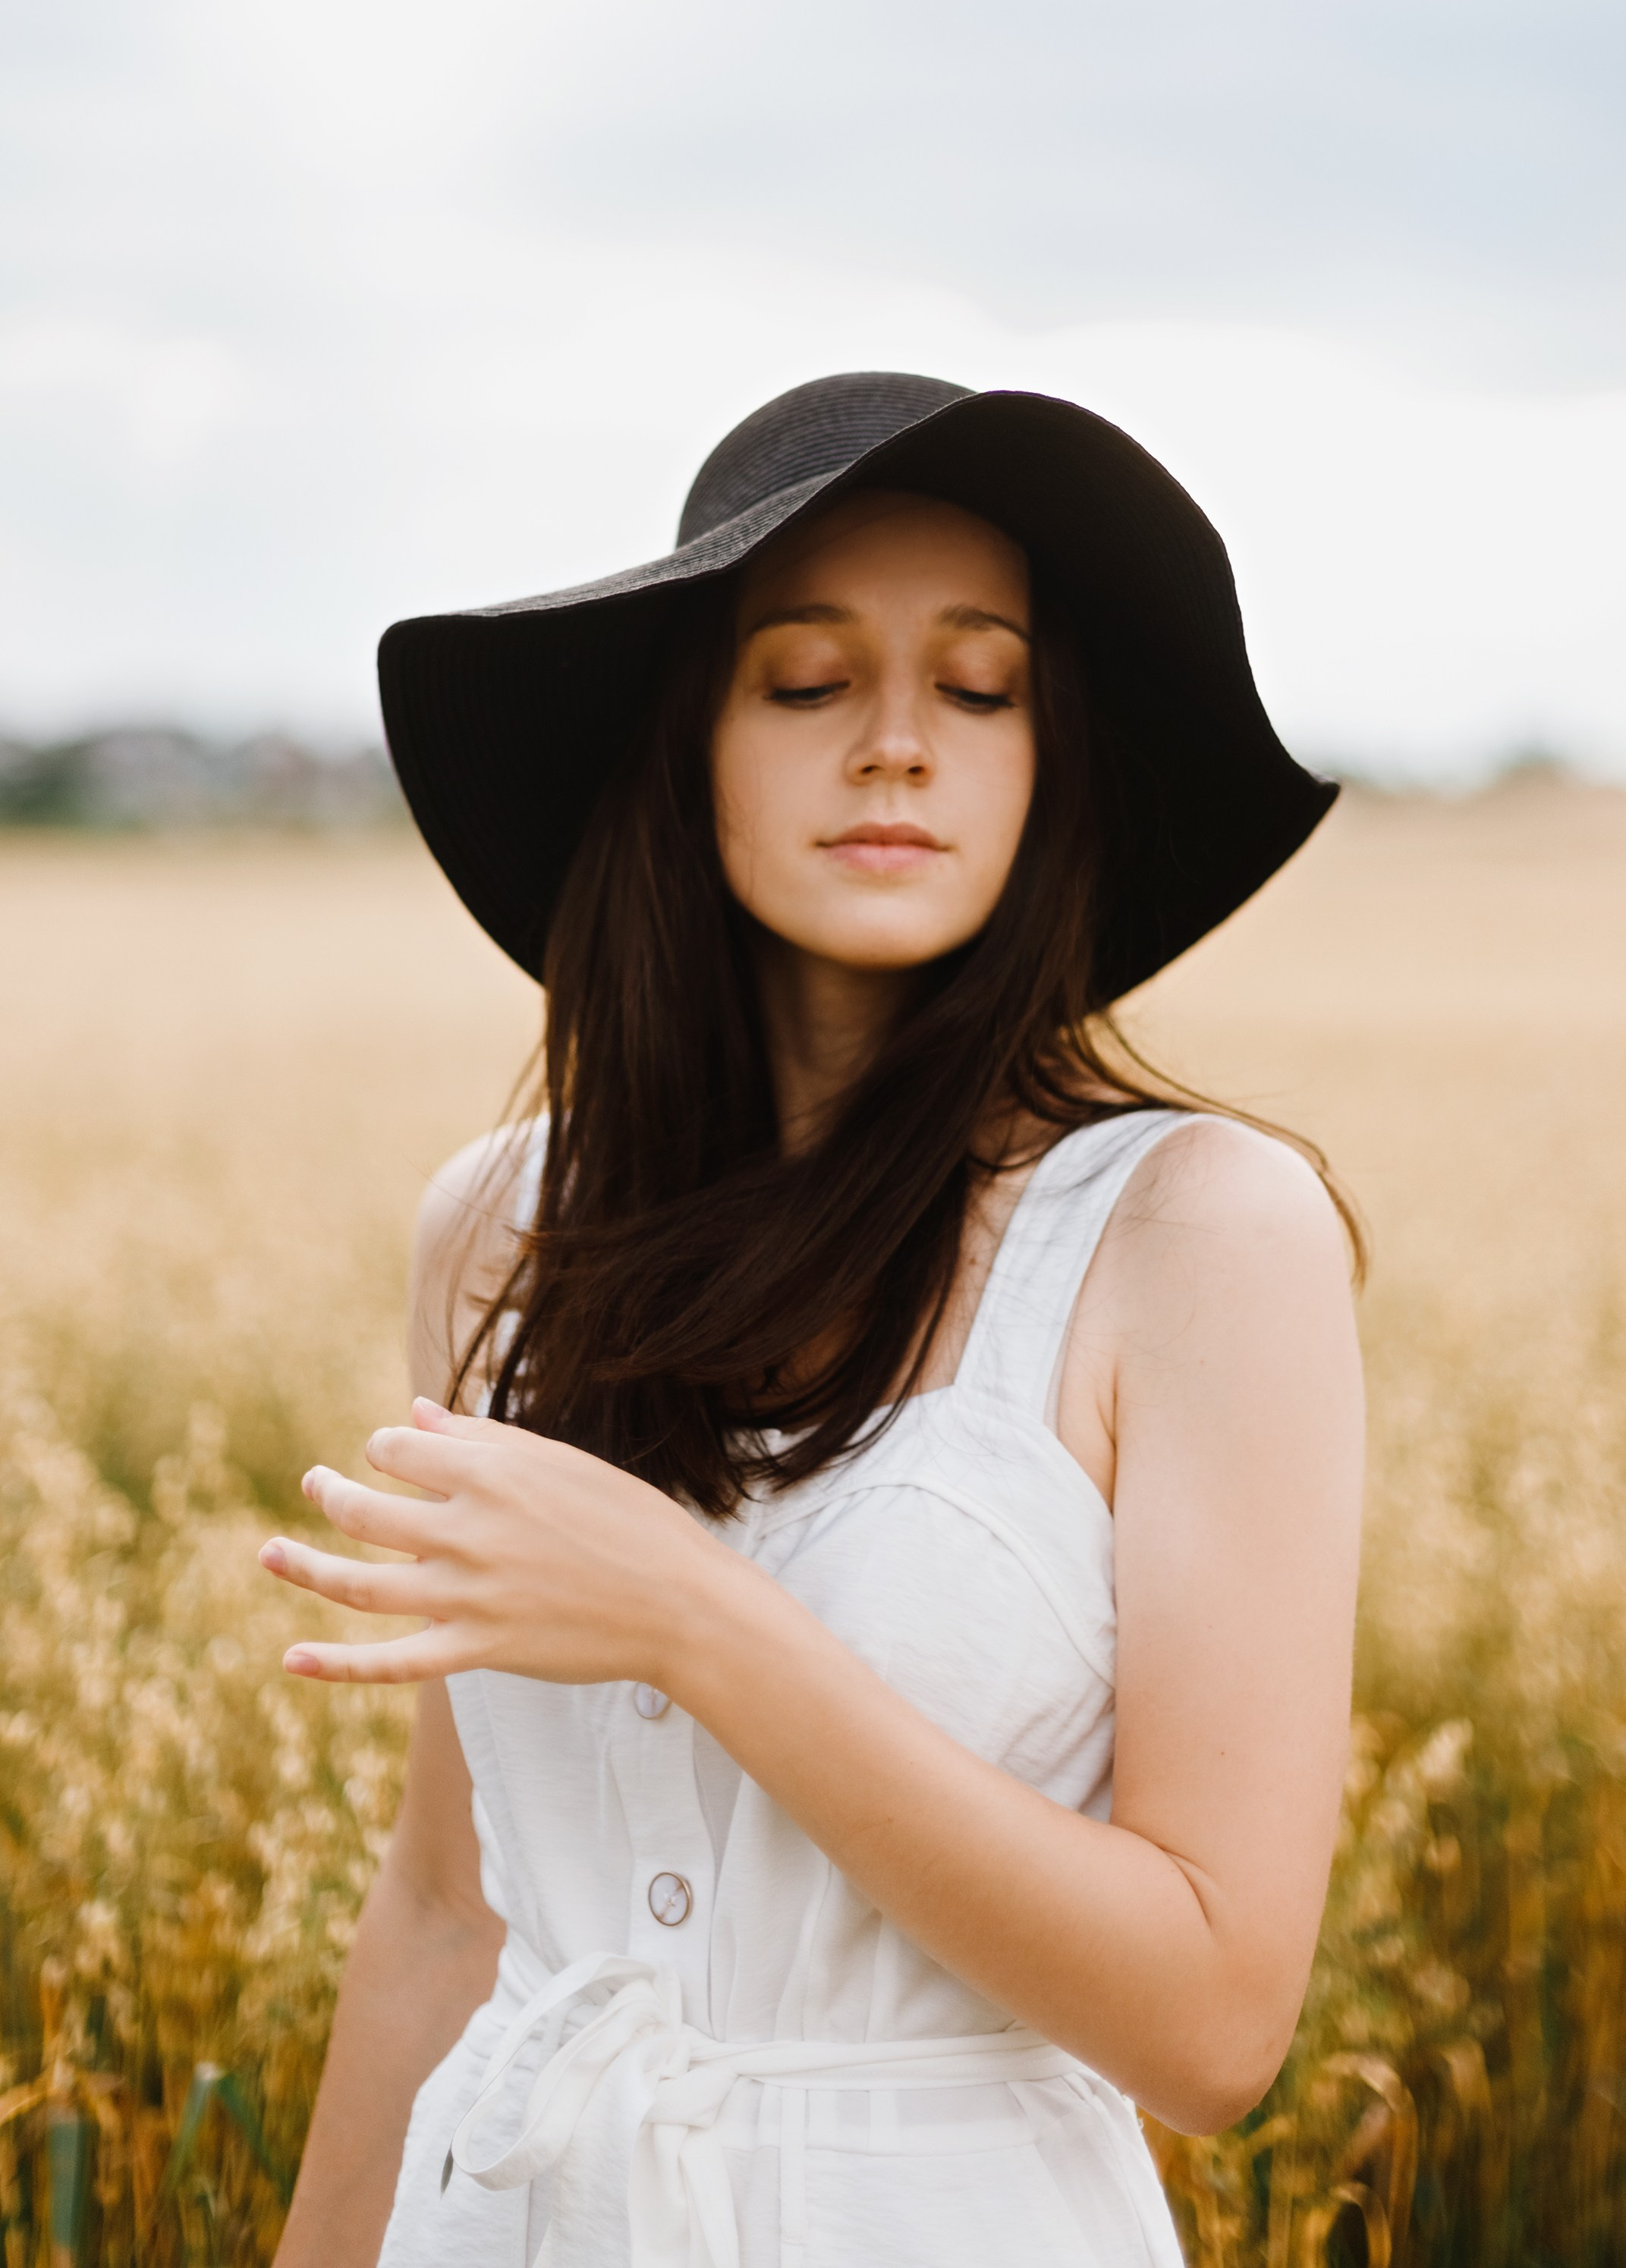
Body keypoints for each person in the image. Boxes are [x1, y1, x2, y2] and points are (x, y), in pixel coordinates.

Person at [262, 373, 1366, 2268]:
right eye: (805, 680)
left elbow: (1211, 2026)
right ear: (687, 741)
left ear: (1048, 761)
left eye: (979, 685)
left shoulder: (1193, 1235)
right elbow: (449, 1913)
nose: (895, 747)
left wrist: (699, 1624)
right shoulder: (499, 1230)